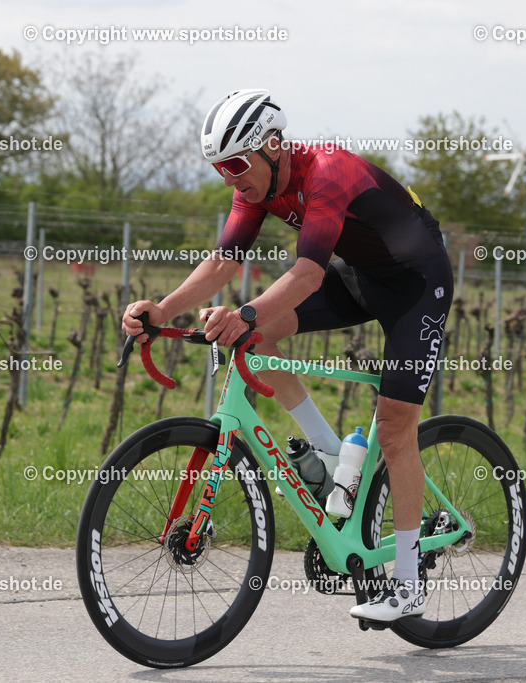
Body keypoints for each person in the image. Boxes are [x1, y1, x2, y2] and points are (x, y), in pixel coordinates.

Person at [123, 88, 452, 622]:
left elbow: (307, 274)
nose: (228, 178)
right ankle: (330, 456)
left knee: (395, 430)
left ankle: (409, 582)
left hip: (418, 284)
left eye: (235, 164)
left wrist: (246, 313)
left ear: (272, 145)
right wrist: (163, 308)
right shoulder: (254, 187)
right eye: (219, 168)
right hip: (363, 278)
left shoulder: (328, 171)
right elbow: (222, 262)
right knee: (255, 340)